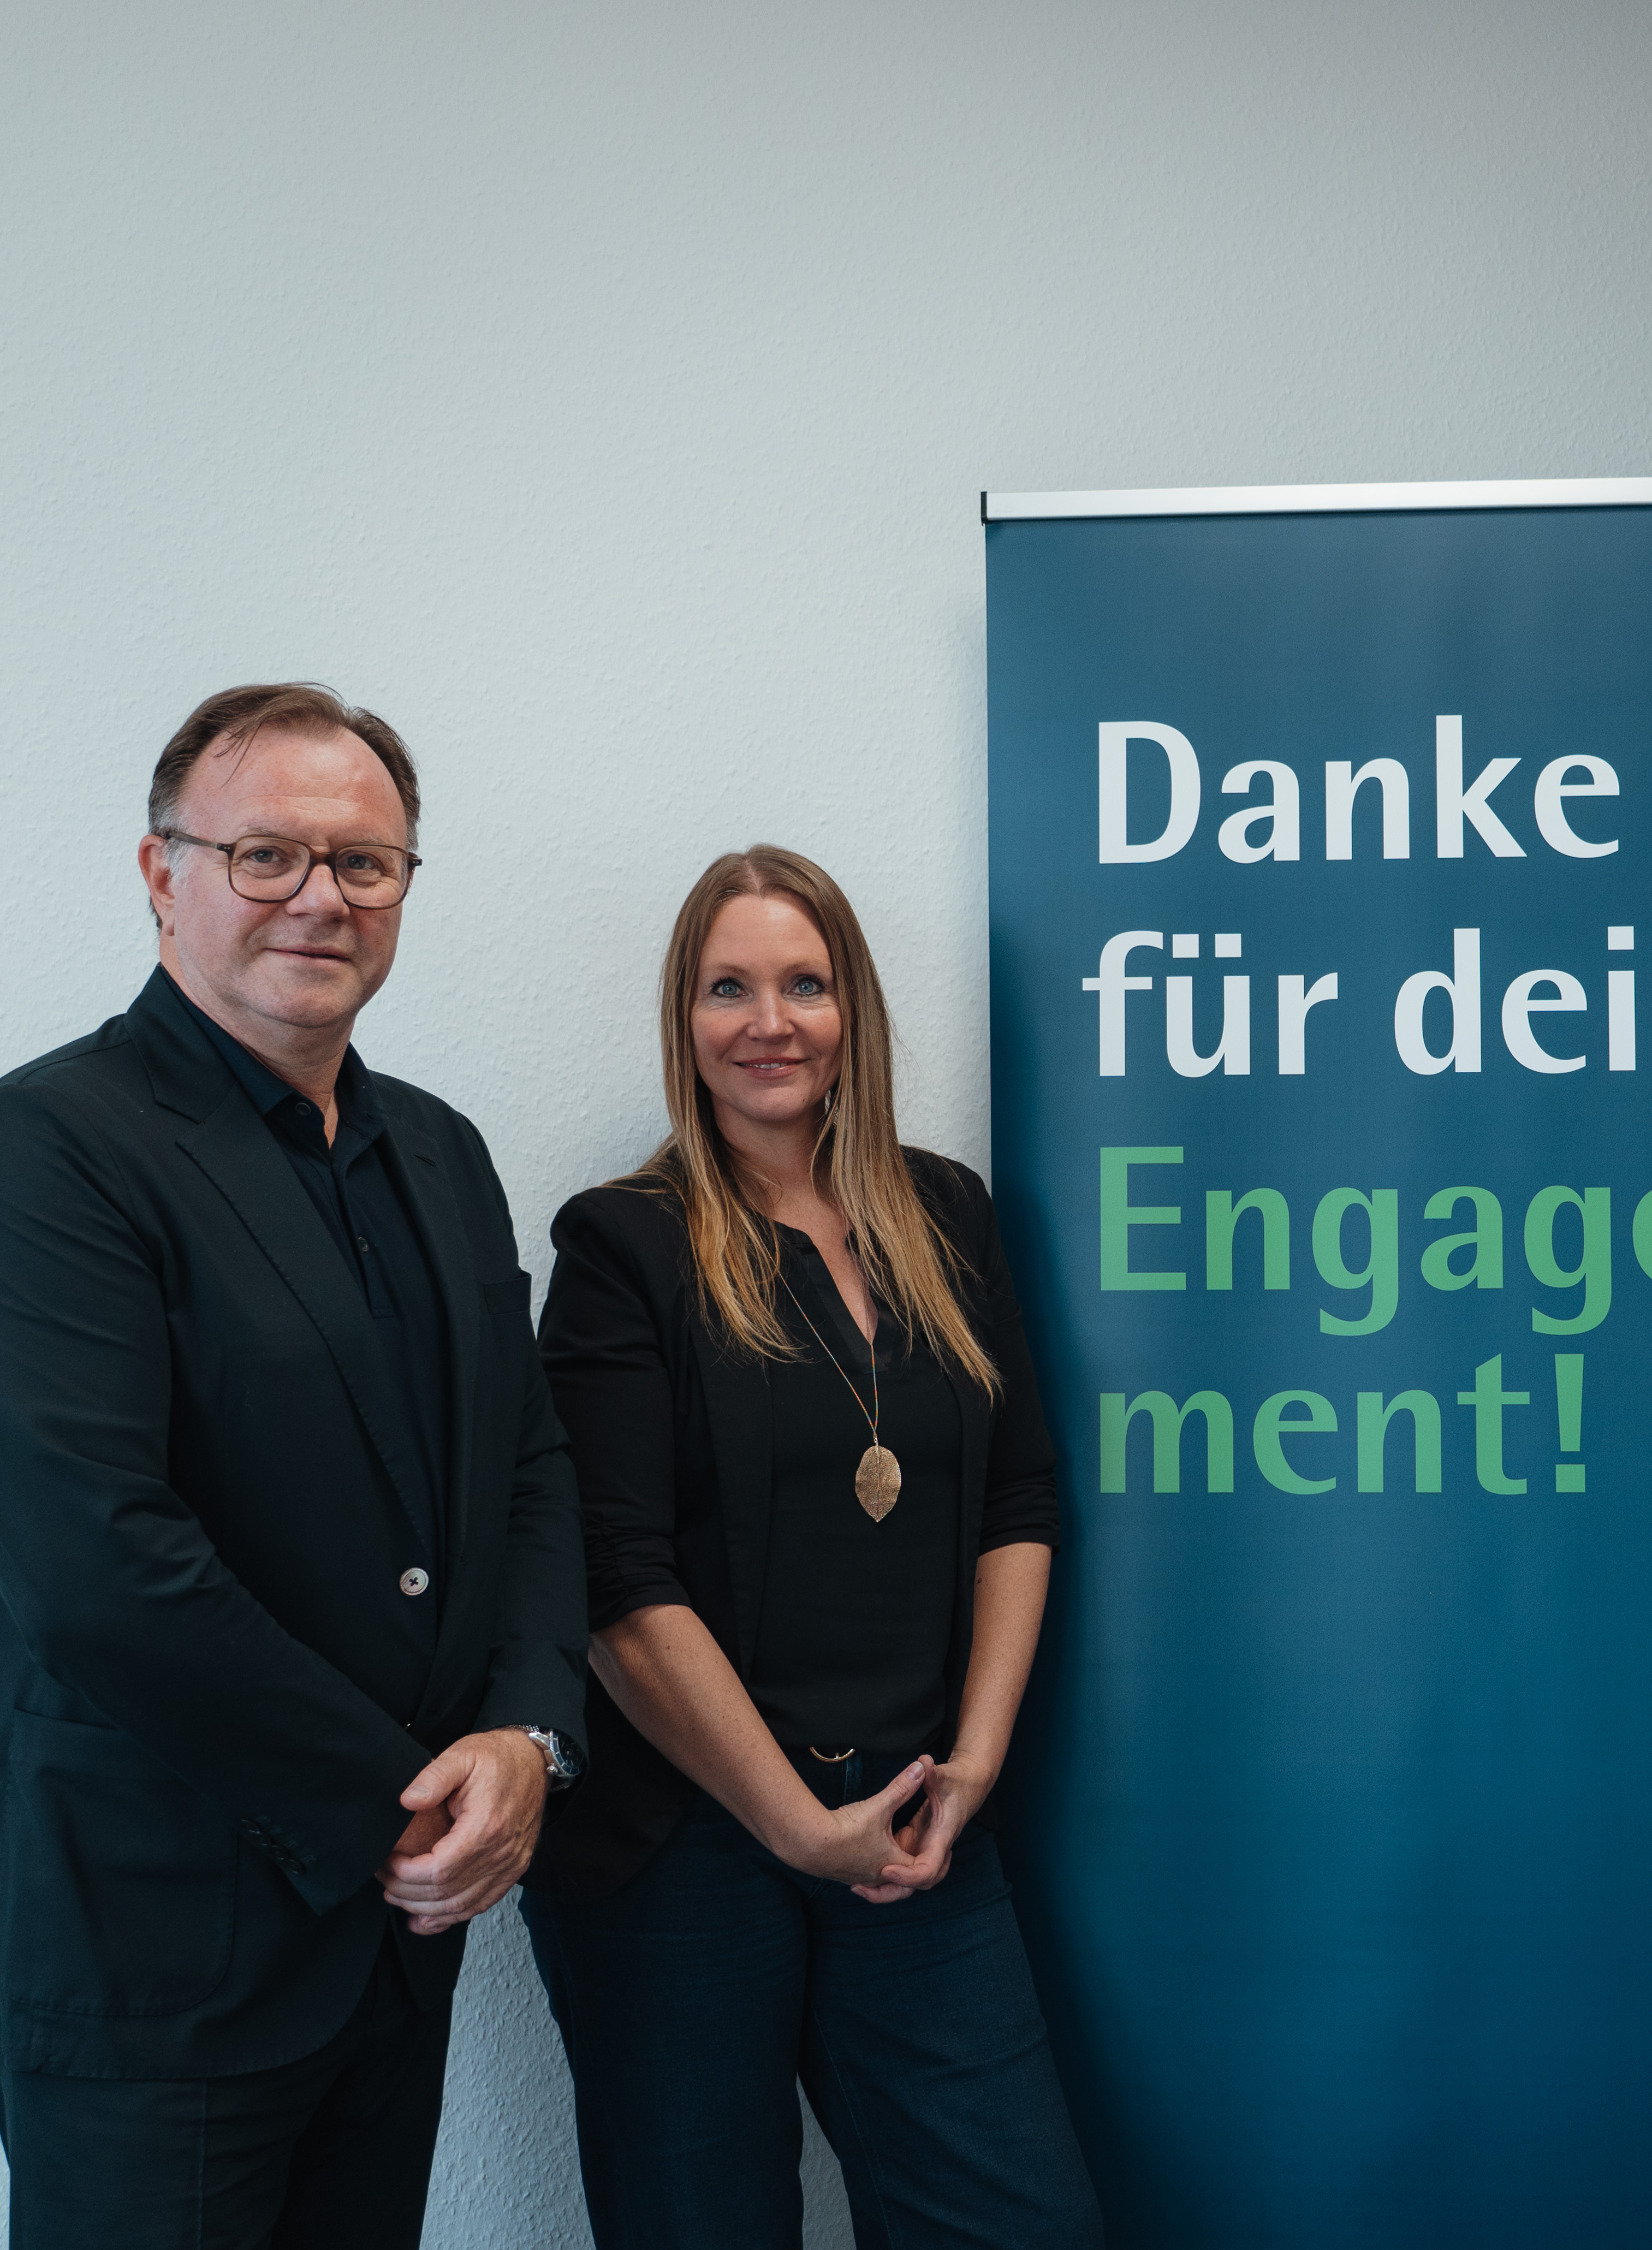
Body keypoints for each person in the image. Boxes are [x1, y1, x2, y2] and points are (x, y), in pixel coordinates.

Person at [0, 683, 588, 2248]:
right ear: (161, 874)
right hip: (155, 1955)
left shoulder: (442, 1152)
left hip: (392, 1954)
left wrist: (529, 1732)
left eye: (363, 862)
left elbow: (528, 1470)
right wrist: (394, 1807)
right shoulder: (41, 1157)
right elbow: (97, 1568)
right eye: (265, 854)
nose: (318, 898)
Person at [519, 845, 1102, 2250]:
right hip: (683, 1850)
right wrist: (793, 1824)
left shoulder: (948, 1216)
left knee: (1017, 2221)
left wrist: (973, 1760)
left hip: (914, 1821)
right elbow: (616, 1585)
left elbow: (1018, 1502)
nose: (768, 1020)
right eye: (729, 987)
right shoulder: (625, 1245)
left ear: (854, 1015)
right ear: (685, 1018)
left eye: (803, 983)